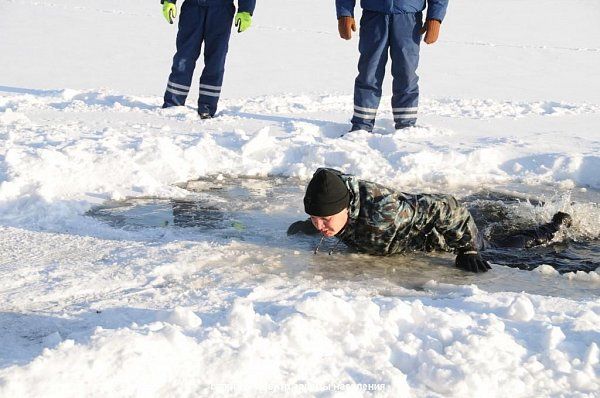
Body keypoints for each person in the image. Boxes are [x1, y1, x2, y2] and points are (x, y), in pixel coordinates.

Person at [287, 168, 573, 273]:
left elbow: (446, 205)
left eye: (325, 219)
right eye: (314, 219)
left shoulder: (385, 215)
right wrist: (314, 224)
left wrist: (466, 248)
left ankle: (554, 225)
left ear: (346, 208)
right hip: (402, 225)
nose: (320, 225)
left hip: (443, 237)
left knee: (503, 247)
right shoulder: (332, 193)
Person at [335, 0, 448, 132]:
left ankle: (406, 125)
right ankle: (362, 125)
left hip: (409, 20)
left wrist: (435, 18)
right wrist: (345, 13)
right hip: (374, 18)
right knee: (369, 73)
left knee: (406, 73)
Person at [160, 0, 256, 118]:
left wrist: (246, 10)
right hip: (192, 8)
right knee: (184, 58)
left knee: (215, 60)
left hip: (221, 11)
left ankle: (207, 107)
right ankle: (173, 103)